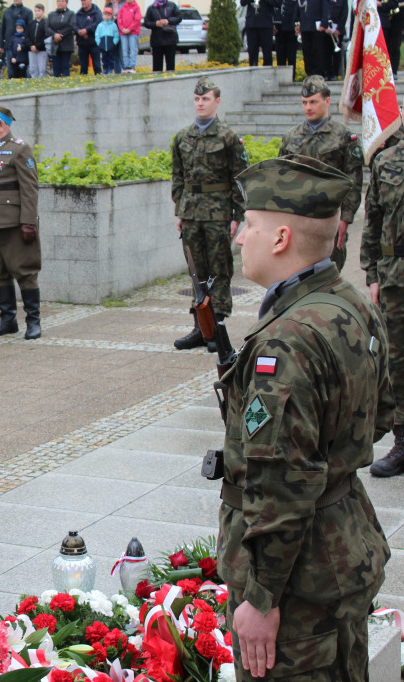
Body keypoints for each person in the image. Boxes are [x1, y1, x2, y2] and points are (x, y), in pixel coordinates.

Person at [218, 155, 392, 682]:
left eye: (249, 225)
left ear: (280, 238)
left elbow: (280, 483)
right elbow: (381, 412)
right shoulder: (350, 303)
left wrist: (262, 599)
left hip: (298, 584)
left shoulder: (286, 342)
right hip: (340, 545)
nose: (237, 238)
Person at [171, 77, 248, 350]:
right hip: (191, 215)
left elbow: (240, 178)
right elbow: (178, 177)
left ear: (217, 101)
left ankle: (218, 328)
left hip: (218, 215)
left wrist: (237, 216)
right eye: (197, 99)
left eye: (206, 99)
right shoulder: (183, 137)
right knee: (197, 272)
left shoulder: (228, 137)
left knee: (219, 271)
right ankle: (199, 327)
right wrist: (179, 210)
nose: (200, 103)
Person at [278, 76, 362, 271]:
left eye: (313, 102)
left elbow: (354, 182)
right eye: (304, 103)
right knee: (295, 277)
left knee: (328, 279)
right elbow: (280, 177)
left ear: (327, 101)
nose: (308, 107)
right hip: (297, 219)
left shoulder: (344, 137)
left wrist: (345, 219)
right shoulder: (291, 137)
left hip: (329, 218)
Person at [0, 103, 42, 339]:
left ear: (1, 125)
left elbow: (30, 188)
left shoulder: (20, 149)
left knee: (25, 272)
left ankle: (33, 321)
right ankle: (8, 319)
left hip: (14, 223)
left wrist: (29, 222)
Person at [361, 139, 404, 476]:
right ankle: (403, 441)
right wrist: (372, 272)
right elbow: (372, 218)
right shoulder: (386, 161)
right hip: (394, 277)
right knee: (396, 362)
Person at [143, 0, 182, 71]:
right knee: (157, 67)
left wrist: (168, 21)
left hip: (170, 39)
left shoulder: (172, 5)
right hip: (157, 40)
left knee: (170, 66)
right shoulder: (151, 8)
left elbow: (179, 17)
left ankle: (170, 80)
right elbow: (146, 23)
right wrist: (155, 24)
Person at [241, 0, 275, 66]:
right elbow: (242, 3)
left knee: (267, 53)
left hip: (266, 25)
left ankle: (267, 73)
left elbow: (276, 3)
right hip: (252, 25)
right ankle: (253, 72)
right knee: (252, 53)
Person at [47, 0, 77, 76]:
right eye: (58, 1)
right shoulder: (51, 15)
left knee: (65, 66)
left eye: (62, 1)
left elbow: (71, 26)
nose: (60, 3)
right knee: (56, 67)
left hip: (66, 44)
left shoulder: (71, 14)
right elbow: (47, 27)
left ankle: (66, 83)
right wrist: (54, 35)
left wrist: (60, 35)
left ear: (66, 3)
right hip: (55, 44)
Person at [297, 0, 326, 76]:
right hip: (305, 26)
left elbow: (325, 7)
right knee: (306, 51)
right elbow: (298, 8)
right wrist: (296, 23)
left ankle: (318, 73)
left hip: (316, 26)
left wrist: (324, 23)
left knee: (317, 50)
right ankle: (309, 72)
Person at [75, 0, 103, 74]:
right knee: (83, 68)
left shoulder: (96, 12)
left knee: (97, 66)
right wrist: (79, 31)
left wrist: (87, 30)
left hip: (94, 43)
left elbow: (98, 23)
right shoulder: (78, 13)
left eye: (85, 0)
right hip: (82, 43)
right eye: (82, 1)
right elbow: (74, 25)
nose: (83, 2)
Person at [274, 0, 298, 76]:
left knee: (291, 56)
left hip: (291, 28)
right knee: (280, 56)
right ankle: (281, 76)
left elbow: (297, 10)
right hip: (279, 28)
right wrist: (274, 25)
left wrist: (296, 24)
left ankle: (292, 76)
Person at [116, 0, 141, 72]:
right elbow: (119, 19)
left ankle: (132, 66)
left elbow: (137, 20)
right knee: (124, 50)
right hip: (123, 33)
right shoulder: (123, 7)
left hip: (133, 32)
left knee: (133, 49)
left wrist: (129, 29)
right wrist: (122, 28)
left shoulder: (136, 7)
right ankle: (125, 67)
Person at [96, 6, 121, 73]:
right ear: (103, 15)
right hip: (103, 44)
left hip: (110, 45)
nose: (107, 16)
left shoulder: (113, 25)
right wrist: (99, 43)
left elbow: (116, 35)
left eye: (109, 15)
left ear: (111, 16)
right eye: (105, 14)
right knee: (104, 58)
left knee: (111, 58)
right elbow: (97, 34)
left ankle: (110, 69)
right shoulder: (100, 25)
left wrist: (114, 43)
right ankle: (105, 69)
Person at [29, 4, 50, 77]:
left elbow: (46, 36)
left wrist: (37, 46)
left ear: (43, 12)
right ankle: (34, 82)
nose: (37, 12)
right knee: (33, 68)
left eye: (39, 11)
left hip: (41, 50)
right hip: (32, 50)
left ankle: (42, 82)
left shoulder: (45, 23)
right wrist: (31, 45)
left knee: (42, 69)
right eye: (35, 11)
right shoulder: (31, 23)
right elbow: (27, 36)